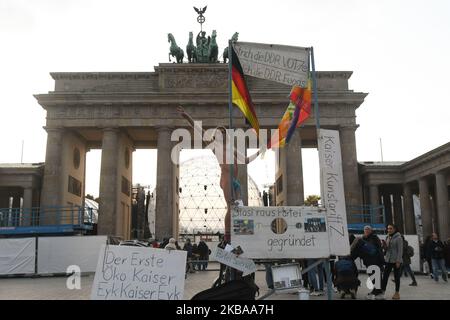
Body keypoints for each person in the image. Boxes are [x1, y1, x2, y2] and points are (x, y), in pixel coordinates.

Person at [178, 106, 265, 241]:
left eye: (223, 133)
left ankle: (242, 234)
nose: (221, 134)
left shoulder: (232, 149)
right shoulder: (215, 146)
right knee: (230, 206)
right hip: (226, 179)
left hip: (235, 181)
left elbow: (246, 160)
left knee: (239, 207)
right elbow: (199, 130)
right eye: (219, 133)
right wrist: (187, 117)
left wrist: (260, 151)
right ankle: (227, 236)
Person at [350, 225, 384, 299]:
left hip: (375, 260)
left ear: (371, 231)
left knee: (376, 276)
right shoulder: (363, 238)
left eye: (368, 229)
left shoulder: (374, 237)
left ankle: (378, 291)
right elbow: (359, 251)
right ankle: (376, 290)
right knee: (372, 276)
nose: (366, 230)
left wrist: (381, 260)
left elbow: (379, 248)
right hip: (367, 261)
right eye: (365, 229)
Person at [380, 224, 403, 300]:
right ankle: (382, 292)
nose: (389, 230)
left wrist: (398, 261)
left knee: (396, 277)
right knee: (385, 276)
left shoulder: (399, 238)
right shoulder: (388, 237)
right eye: (388, 228)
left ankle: (397, 293)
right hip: (388, 260)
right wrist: (384, 246)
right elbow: (387, 249)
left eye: (390, 228)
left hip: (396, 260)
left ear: (394, 229)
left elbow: (400, 250)